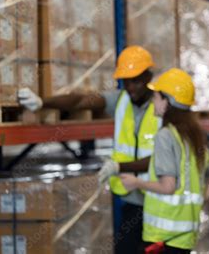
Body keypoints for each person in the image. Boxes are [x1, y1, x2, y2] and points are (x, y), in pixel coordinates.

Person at [17, 45, 160, 254]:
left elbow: (166, 158)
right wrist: (42, 102)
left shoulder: (164, 107)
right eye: (126, 81)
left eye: (136, 81)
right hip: (131, 199)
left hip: (159, 198)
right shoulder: (120, 100)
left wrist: (119, 166)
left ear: (148, 76)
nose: (130, 87)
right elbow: (82, 99)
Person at [119, 68, 209, 254]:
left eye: (156, 97)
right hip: (185, 236)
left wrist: (136, 182)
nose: (153, 102)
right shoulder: (192, 135)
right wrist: (203, 195)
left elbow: (168, 186)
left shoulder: (165, 136)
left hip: (163, 237)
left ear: (167, 103)